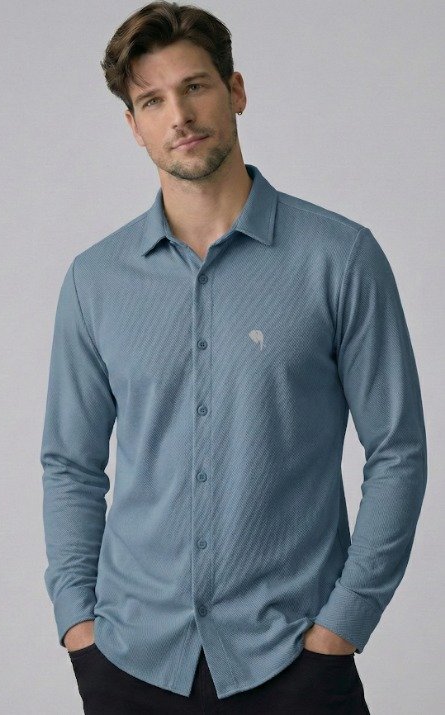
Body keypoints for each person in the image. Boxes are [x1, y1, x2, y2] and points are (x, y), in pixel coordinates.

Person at [40, 2, 427, 713]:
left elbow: (397, 449)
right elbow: (70, 462)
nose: (179, 116)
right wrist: (77, 624)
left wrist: (345, 623)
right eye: (152, 101)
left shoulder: (339, 259)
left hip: (294, 660)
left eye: (195, 86)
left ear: (235, 90)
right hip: (129, 662)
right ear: (133, 126)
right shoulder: (95, 281)